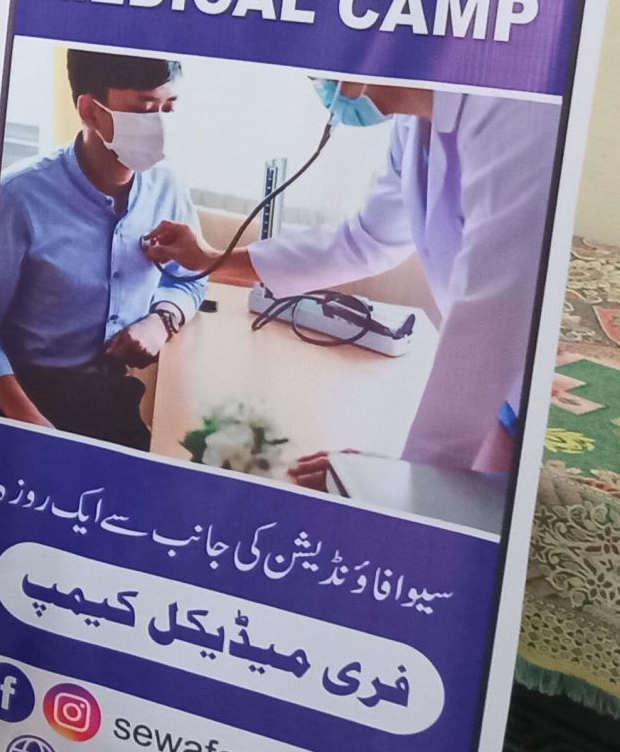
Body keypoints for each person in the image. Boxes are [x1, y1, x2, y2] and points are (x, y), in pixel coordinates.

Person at [143, 79, 556, 478]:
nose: (321, 87)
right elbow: (366, 241)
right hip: (497, 384)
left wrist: (403, 483)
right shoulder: (413, 127)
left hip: (514, 369)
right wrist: (210, 260)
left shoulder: (516, 112)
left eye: (318, 74)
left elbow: (490, 317)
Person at [0, 51, 207, 450]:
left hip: (111, 392)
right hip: (23, 392)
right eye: (145, 110)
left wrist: (160, 321)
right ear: (91, 111)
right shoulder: (18, 198)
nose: (160, 125)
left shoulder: (168, 189)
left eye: (168, 108)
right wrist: (27, 419)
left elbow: (189, 281)